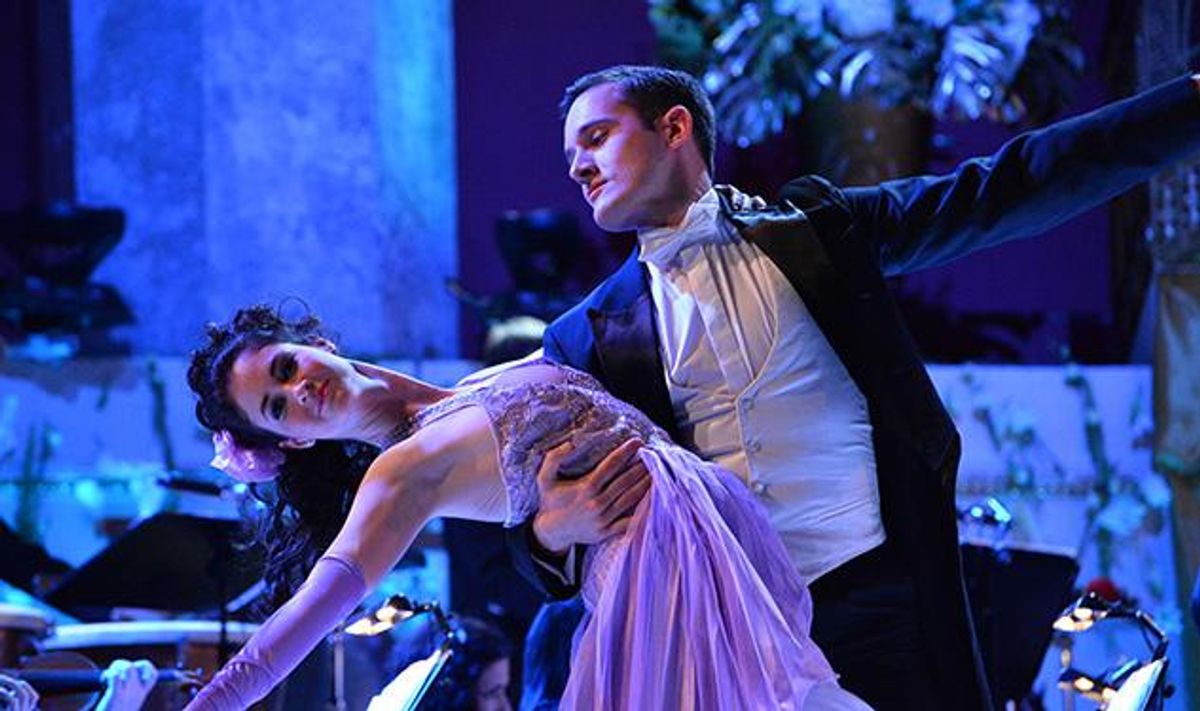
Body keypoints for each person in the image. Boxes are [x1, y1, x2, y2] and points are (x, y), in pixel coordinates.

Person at [505, 65, 1200, 711]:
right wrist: (551, 533)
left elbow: (1005, 187)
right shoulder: (582, 337)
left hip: (877, 611)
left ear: (675, 127)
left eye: (596, 137)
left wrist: (1187, 104)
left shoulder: (818, 233)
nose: (578, 167)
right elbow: (522, 512)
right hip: (722, 636)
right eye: (571, 154)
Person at [181, 305, 871, 710]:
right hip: (652, 576)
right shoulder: (397, 475)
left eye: (285, 367)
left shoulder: (473, 386)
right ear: (294, 440)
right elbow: (289, 632)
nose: (298, 389)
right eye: (277, 408)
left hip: (705, 539)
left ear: (315, 344)